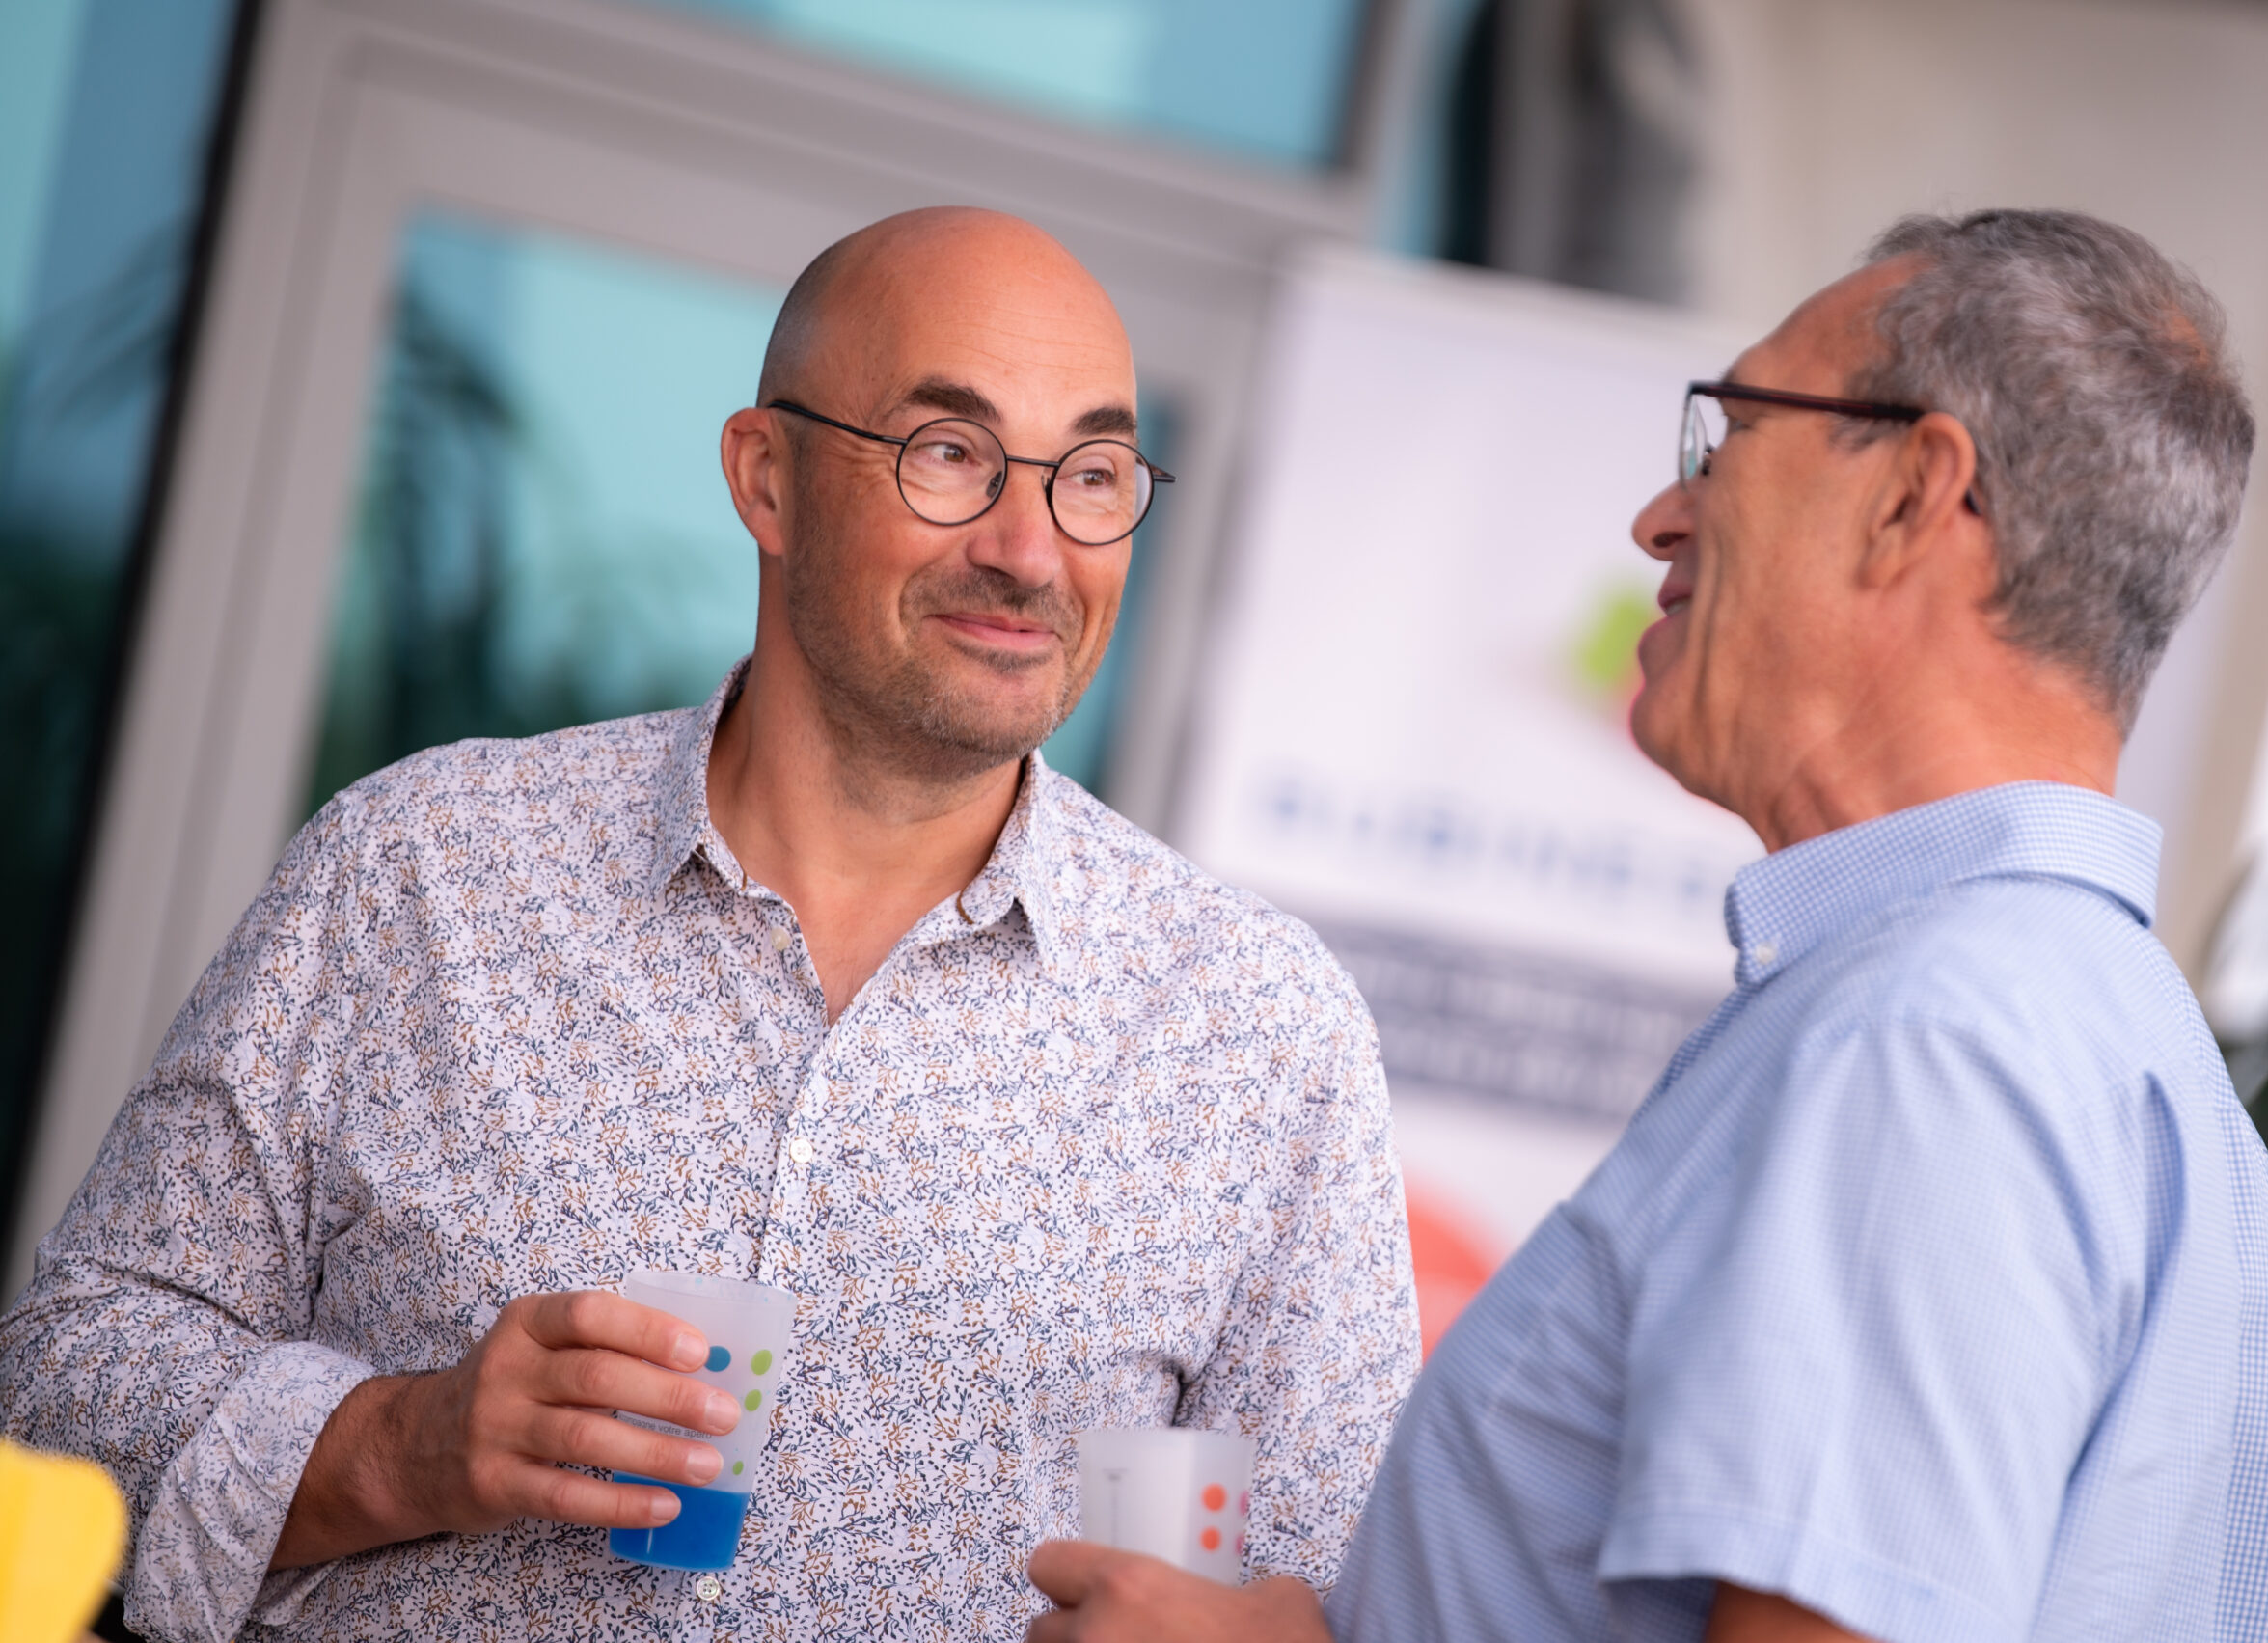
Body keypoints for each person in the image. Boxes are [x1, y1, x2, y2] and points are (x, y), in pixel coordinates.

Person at [0, 207, 1418, 1642]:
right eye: (950, 454)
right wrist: (405, 1446)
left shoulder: (1261, 1033)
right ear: (766, 478)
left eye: (1092, 476)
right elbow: (63, 1384)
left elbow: (1364, 1594)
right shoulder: (418, 870)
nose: (1031, 551)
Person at [1027, 208, 2268, 1643]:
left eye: (1731, 435)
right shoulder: (2147, 1081)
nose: (1661, 514)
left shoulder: (1931, 1042)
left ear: (1912, 496)